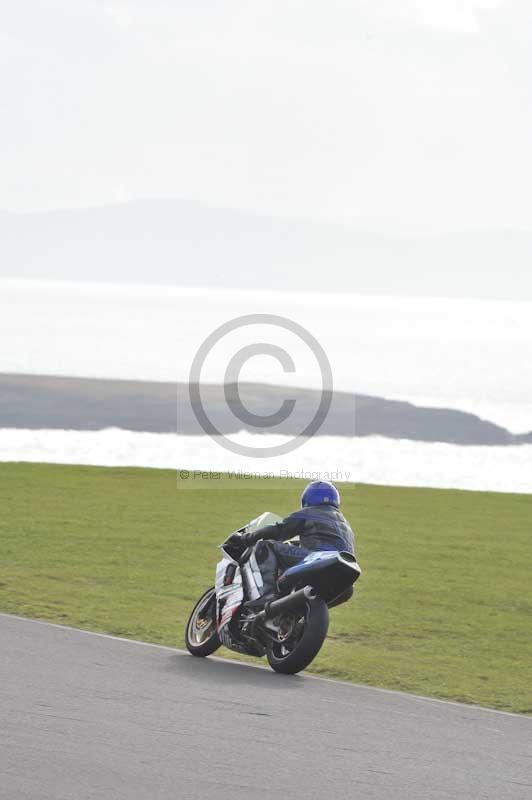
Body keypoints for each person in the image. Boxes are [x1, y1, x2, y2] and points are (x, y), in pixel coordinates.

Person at [238, 480, 356, 607]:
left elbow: (279, 530)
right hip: (344, 575)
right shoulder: (345, 523)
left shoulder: (309, 513)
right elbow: (323, 540)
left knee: (267, 545)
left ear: (308, 498)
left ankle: (266, 595)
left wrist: (247, 538)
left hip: (318, 558)